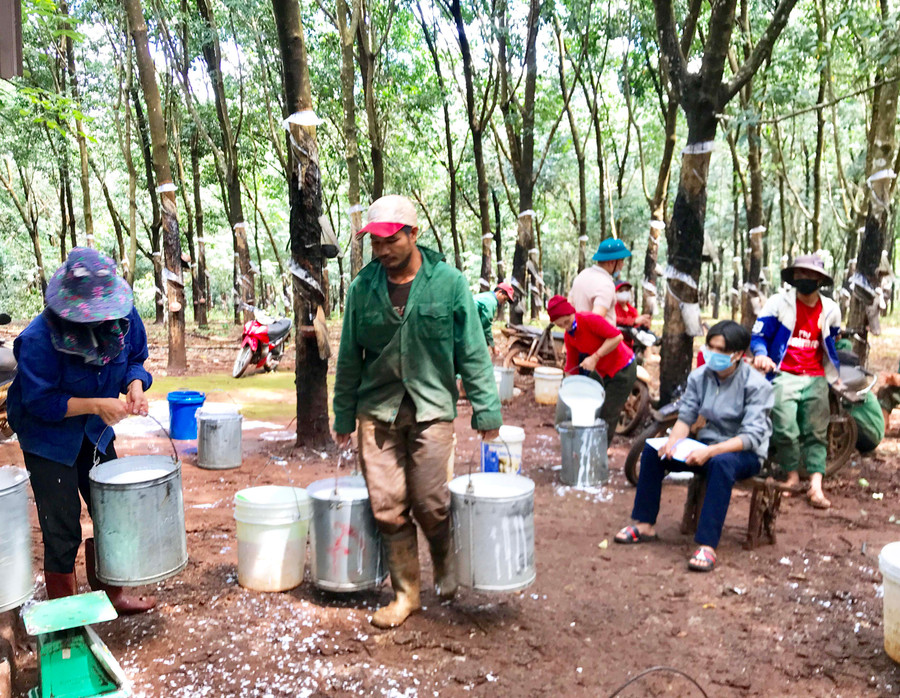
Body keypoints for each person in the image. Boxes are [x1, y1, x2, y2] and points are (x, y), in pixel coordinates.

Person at [332, 195, 502, 629]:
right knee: (387, 507)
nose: (382, 250)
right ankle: (406, 594)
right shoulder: (362, 289)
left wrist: (486, 411)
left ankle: (444, 564)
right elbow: (349, 356)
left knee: (431, 502)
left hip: (431, 409)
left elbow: (472, 351)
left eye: (391, 240)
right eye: (375, 243)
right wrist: (342, 415)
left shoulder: (449, 283)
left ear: (413, 234)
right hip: (377, 411)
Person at [8, 247, 156, 613]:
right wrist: (96, 405)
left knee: (111, 510)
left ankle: (112, 594)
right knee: (62, 527)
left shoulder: (124, 318)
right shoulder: (38, 339)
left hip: (95, 432)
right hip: (47, 439)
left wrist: (135, 385)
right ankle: (65, 613)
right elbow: (41, 403)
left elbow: (135, 359)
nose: (105, 319)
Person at [614, 321, 774, 572]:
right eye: (710, 347)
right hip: (706, 445)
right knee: (653, 451)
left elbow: (750, 437)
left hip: (743, 454)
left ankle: (707, 544)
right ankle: (644, 524)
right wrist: (672, 443)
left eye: (721, 350)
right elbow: (685, 418)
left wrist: (709, 451)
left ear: (738, 355)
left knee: (721, 463)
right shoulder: (700, 377)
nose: (713, 354)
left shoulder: (757, 385)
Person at [750, 254, 841, 509]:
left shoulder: (831, 309)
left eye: (810, 275)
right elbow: (759, 335)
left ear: (820, 280)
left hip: (816, 375)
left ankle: (816, 485)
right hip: (784, 373)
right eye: (800, 274)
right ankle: (791, 476)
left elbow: (832, 339)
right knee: (784, 427)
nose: (805, 278)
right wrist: (761, 354)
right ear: (793, 277)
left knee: (817, 431)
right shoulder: (778, 303)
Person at [547, 295, 636, 437]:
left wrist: (595, 357)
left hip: (623, 367)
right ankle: (586, 444)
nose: (566, 326)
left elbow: (617, 337)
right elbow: (571, 366)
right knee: (594, 411)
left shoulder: (589, 320)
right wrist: (567, 386)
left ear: (572, 312)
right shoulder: (569, 336)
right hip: (604, 372)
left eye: (567, 321)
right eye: (561, 325)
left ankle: (600, 448)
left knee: (607, 414)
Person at [569, 238, 633, 325]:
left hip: (577, 330)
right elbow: (596, 320)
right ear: (612, 262)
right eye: (622, 261)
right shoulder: (606, 284)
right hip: (598, 334)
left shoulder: (582, 275)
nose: (623, 265)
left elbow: (569, 305)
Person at [473, 282, 515, 354]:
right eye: (504, 299)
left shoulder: (487, 295)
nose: (503, 302)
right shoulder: (491, 301)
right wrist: (493, 346)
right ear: (499, 292)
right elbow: (486, 326)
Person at [613, 281, 651, 348]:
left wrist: (644, 324)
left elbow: (637, 327)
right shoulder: (612, 308)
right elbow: (614, 319)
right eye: (621, 291)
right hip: (616, 345)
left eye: (627, 290)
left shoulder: (632, 310)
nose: (624, 293)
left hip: (630, 346)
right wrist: (634, 321)